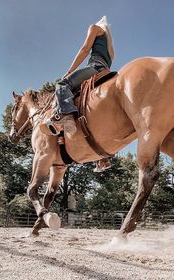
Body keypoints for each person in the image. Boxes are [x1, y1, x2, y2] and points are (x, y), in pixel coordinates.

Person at [40, 16, 115, 172]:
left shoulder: (94, 27)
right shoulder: (110, 47)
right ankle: (103, 157)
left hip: (95, 67)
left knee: (62, 85)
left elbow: (85, 49)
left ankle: (67, 117)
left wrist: (69, 71)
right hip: (105, 69)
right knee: (78, 97)